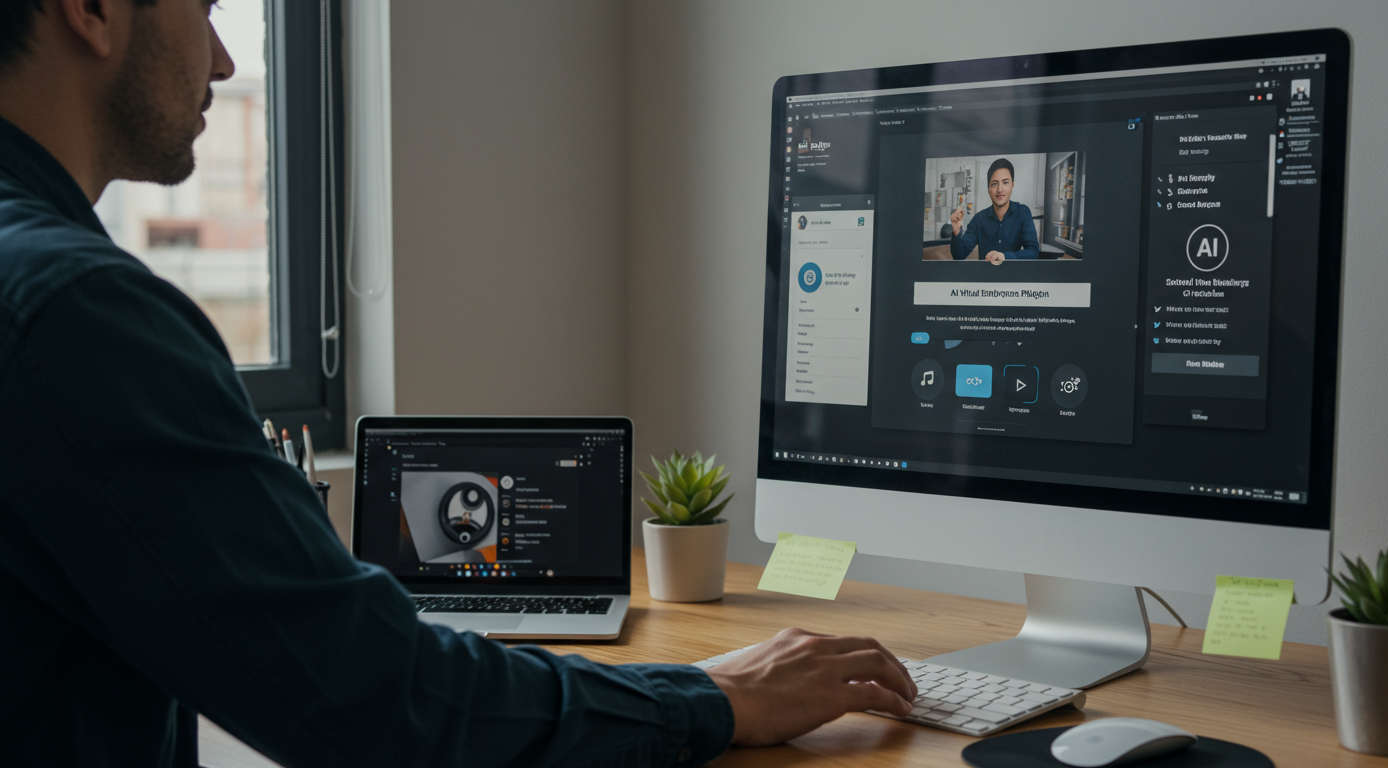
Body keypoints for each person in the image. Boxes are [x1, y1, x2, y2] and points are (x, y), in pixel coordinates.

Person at [0, 1, 916, 766]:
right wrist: (712, 698)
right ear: (92, 9)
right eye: (203, 8)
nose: (227, 52)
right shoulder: (77, 313)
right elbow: (379, 699)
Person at [948, 158, 1040, 264]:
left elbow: (1033, 252)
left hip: (1014, 277)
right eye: (994, 184)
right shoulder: (979, 219)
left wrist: (1005, 256)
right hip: (985, 278)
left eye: (1005, 182)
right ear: (988, 189)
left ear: (1012, 185)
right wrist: (956, 230)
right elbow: (959, 255)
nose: (999, 189)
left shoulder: (1023, 212)